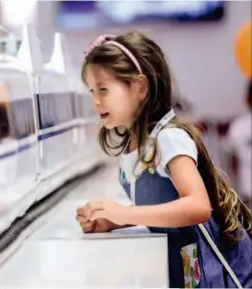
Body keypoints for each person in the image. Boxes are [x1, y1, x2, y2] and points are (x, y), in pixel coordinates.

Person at [74, 33, 252, 288]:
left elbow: (198, 207)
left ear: (140, 88)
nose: (95, 100)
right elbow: (166, 207)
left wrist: (127, 212)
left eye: (103, 89)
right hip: (183, 259)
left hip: (204, 266)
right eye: (92, 91)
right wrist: (115, 219)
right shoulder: (134, 147)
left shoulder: (168, 139)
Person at [227, 81, 252, 210]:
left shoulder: (238, 127)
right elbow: (233, 161)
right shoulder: (239, 127)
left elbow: (232, 163)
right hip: (247, 195)